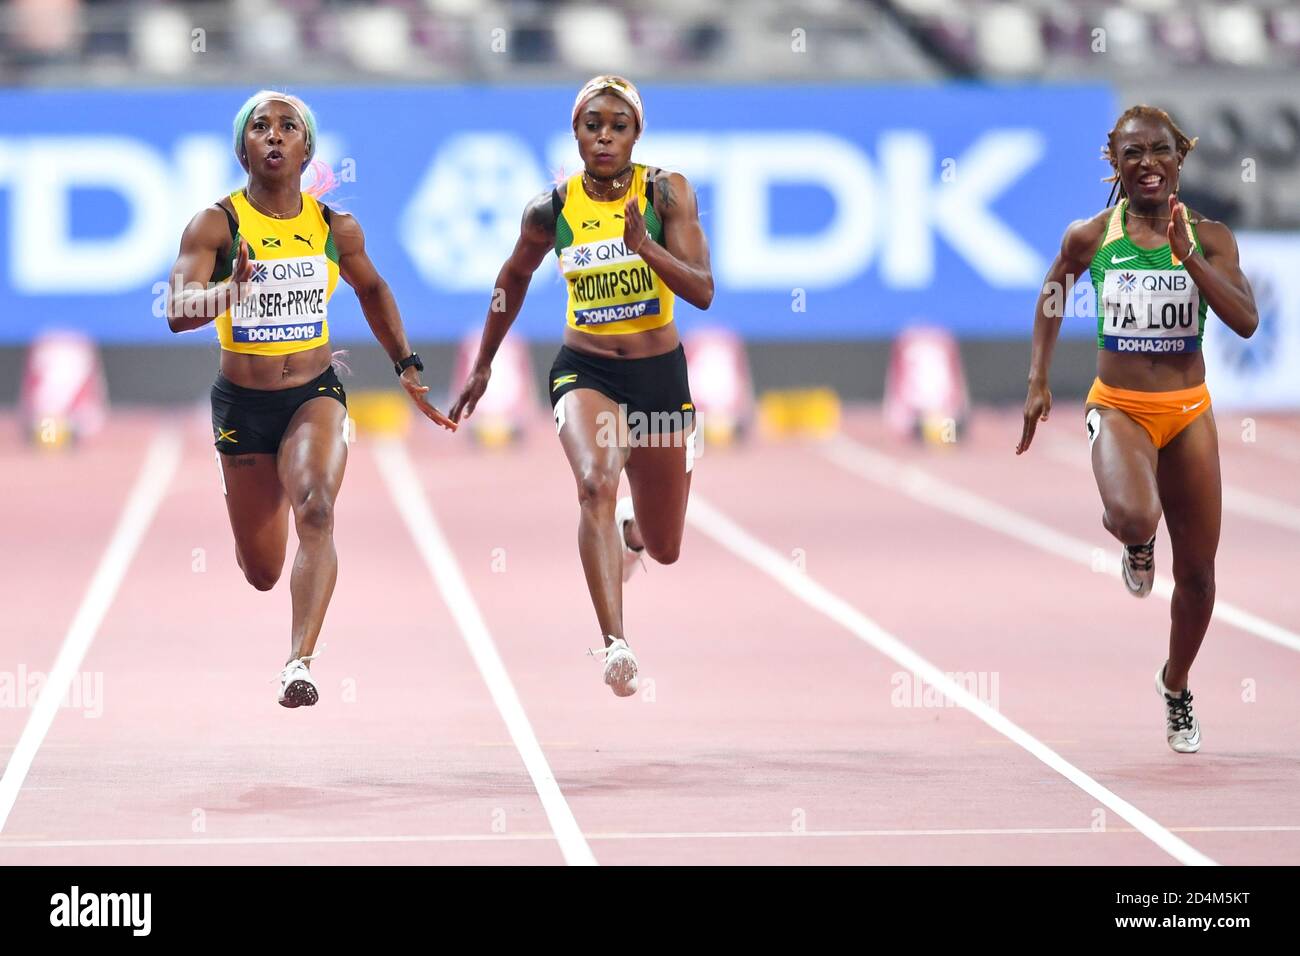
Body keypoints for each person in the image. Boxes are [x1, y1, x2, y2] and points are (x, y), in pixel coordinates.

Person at [166, 90, 456, 707]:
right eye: (260, 127)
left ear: (306, 147)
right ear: (243, 148)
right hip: (243, 408)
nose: (274, 136)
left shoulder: (333, 227)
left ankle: (299, 662)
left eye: (287, 127)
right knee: (263, 571)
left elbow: (373, 289)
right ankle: (244, 493)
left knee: (318, 510)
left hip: (314, 394)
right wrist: (229, 292)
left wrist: (406, 364)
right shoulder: (216, 224)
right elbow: (176, 310)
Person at [450, 76, 714, 697]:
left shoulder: (666, 191)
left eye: (617, 126)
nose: (604, 136)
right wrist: (485, 362)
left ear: (636, 133)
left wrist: (644, 246)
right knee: (595, 481)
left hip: (657, 376)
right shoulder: (551, 209)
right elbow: (511, 279)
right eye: (592, 124)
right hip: (586, 370)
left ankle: (633, 533)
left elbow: (702, 289)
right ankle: (615, 644)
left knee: (666, 546)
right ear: (575, 132)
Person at [1017, 106, 1259, 753]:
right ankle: (1136, 542)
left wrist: (1190, 261)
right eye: (1132, 154)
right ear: (1115, 166)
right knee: (1132, 515)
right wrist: (1038, 378)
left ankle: (1176, 684)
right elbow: (1052, 290)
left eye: (1159, 151)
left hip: (1187, 413)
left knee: (1202, 577)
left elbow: (1246, 320)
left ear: (1180, 159)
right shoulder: (1091, 237)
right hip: (1120, 405)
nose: (1146, 163)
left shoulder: (1210, 240)